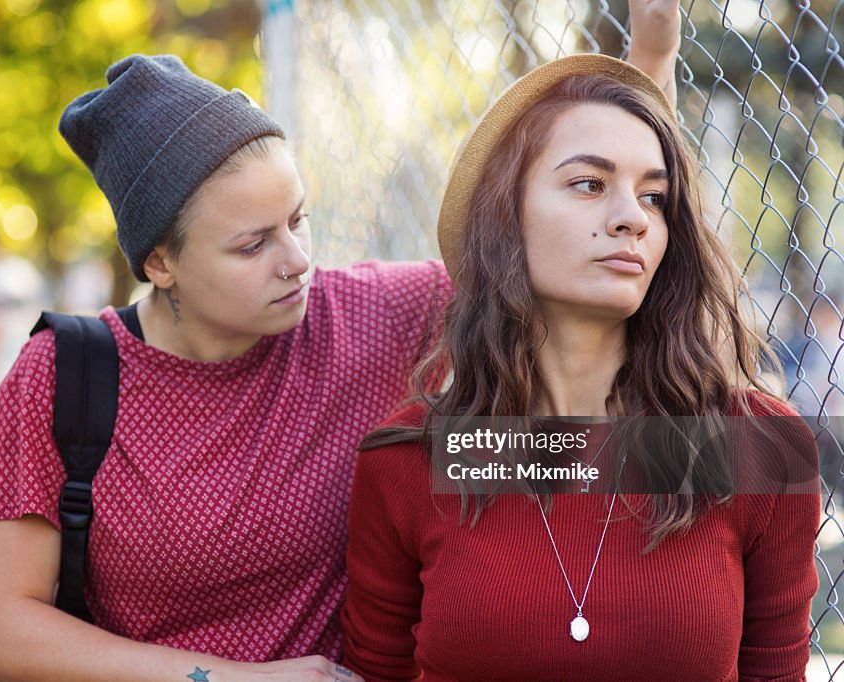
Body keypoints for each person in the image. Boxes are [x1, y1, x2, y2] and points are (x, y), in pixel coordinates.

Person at [0, 6, 683, 680]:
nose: (297, 259)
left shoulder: (377, 315)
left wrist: (650, 62)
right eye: (253, 244)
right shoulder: (67, 375)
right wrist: (235, 680)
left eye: (298, 220)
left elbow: (575, 253)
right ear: (160, 262)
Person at [340, 54, 821, 680]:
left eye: (655, 196)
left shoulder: (756, 446)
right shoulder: (412, 459)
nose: (634, 217)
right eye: (590, 184)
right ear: (505, 216)